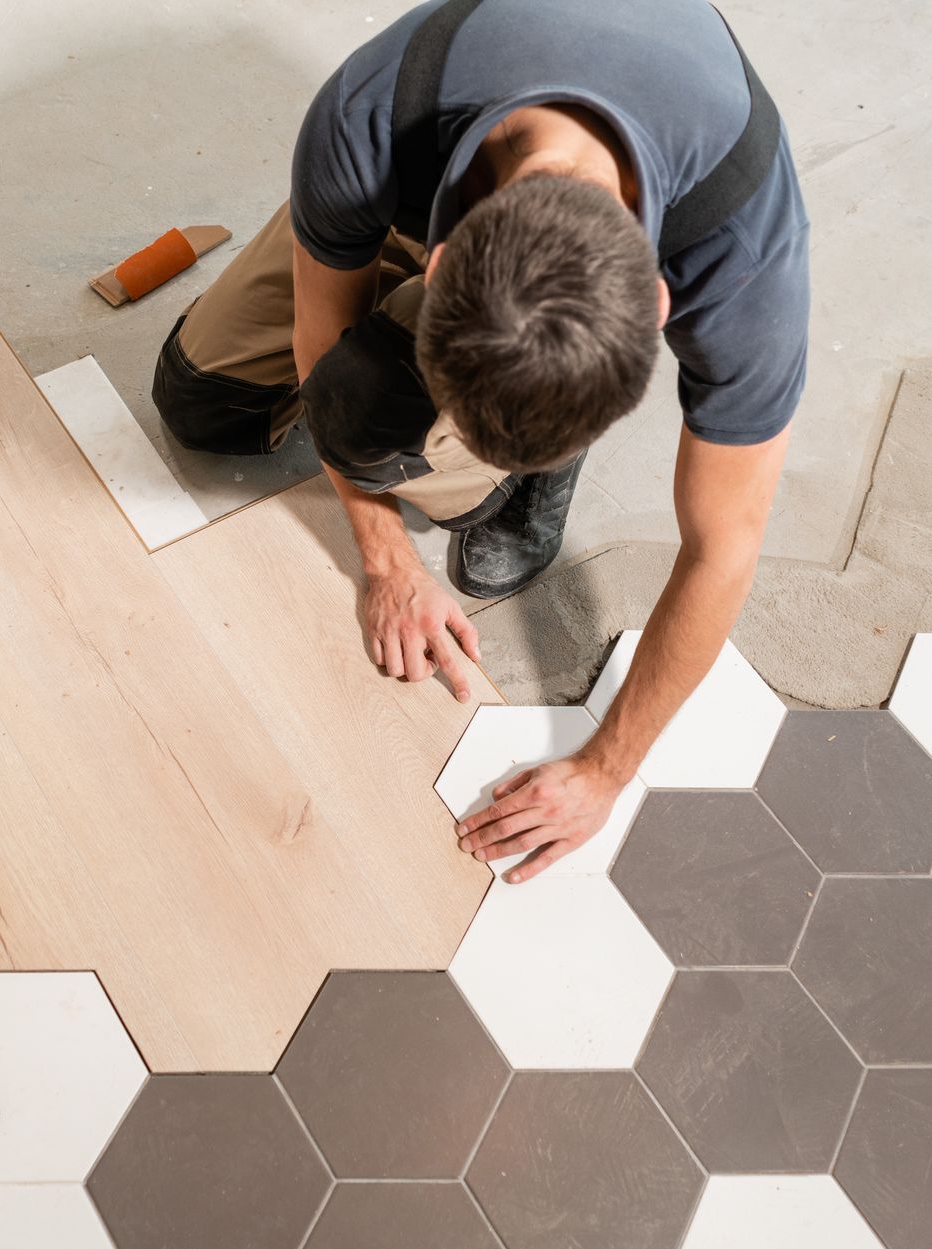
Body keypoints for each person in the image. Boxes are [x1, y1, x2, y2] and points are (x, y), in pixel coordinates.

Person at [152, 0, 809, 881]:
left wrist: (605, 769)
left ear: (659, 304)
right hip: (422, 173)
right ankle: (501, 385)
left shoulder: (742, 255)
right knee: (203, 404)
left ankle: (549, 418)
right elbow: (323, 345)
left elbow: (723, 547)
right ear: (439, 258)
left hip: (609, 170)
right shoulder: (369, 117)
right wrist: (387, 560)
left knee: (390, 422)